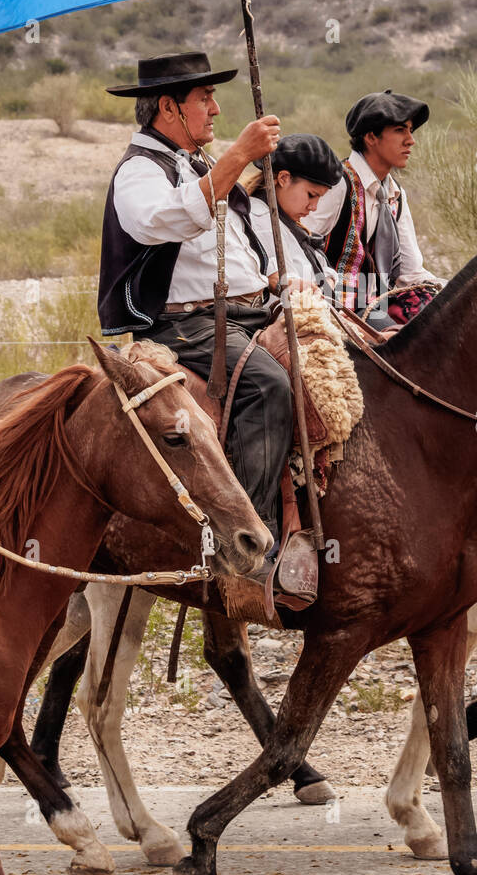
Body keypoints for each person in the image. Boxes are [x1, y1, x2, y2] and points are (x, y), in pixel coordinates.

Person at [97, 51, 312, 589]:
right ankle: (251, 549)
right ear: (168, 108)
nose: (216, 109)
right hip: (181, 326)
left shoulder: (196, 165)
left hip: (242, 312)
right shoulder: (139, 172)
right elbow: (162, 221)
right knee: (268, 386)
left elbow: (235, 245)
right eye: (205, 99)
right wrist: (239, 154)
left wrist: (271, 284)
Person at [310, 89, 443, 330]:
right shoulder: (339, 185)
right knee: (400, 341)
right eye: (400, 130)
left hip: (378, 301)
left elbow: (410, 272)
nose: (410, 140)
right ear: (371, 137)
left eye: (410, 131)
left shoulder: (394, 194)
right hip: (337, 306)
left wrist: (451, 290)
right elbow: (301, 246)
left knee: (448, 322)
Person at [245, 133, 342, 295]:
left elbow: (320, 269)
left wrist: (329, 282)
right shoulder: (260, 219)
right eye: (311, 195)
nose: (314, 207)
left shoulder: (284, 221)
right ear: (284, 178)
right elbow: (286, 282)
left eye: (319, 198)